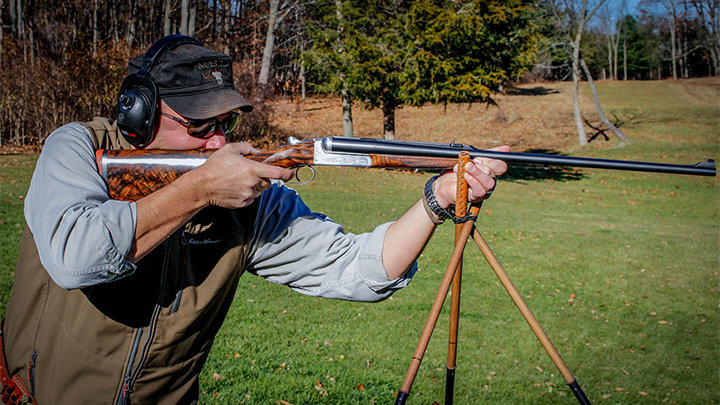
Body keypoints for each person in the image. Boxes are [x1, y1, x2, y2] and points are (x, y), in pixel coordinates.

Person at [0, 35, 508, 405]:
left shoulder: (248, 197)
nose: (218, 142)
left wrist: (436, 199)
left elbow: (357, 270)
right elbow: (75, 258)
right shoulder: (80, 148)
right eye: (199, 124)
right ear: (138, 113)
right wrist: (198, 190)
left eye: (226, 124)